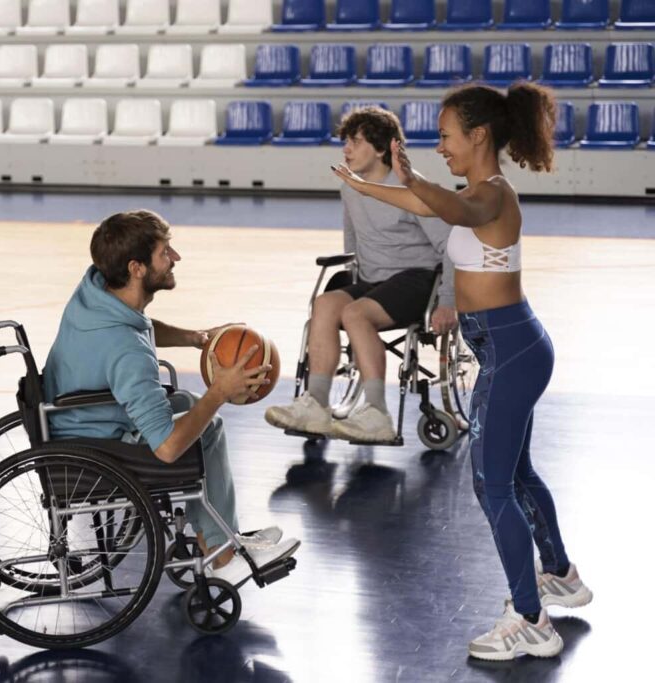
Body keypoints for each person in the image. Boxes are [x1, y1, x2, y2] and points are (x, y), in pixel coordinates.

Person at [332, 83, 592, 661]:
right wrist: (366, 184)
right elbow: (428, 205)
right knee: (517, 473)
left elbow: (449, 207)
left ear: (477, 135)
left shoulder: (491, 195)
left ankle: (531, 620)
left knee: (490, 484)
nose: (440, 146)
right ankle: (560, 575)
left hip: (510, 350)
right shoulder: (475, 190)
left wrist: (408, 175)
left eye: (446, 135)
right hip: (511, 346)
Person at [43, 209, 300, 587]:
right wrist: (221, 392)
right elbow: (166, 448)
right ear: (137, 268)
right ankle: (223, 556)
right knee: (204, 423)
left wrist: (195, 337)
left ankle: (216, 536)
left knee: (188, 405)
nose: (175, 258)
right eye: (166, 252)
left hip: (79, 420)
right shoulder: (127, 352)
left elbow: (138, 324)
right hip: (99, 447)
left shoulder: (97, 289)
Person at [265, 106, 457, 443]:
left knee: (355, 314)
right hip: (372, 280)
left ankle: (376, 413)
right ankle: (316, 404)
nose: (346, 149)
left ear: (382, 149)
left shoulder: (414, 189)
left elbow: (452, 246)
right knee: (325, 303)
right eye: (346, 142)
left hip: (417, 279)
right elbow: (353, 240)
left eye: (355, 141)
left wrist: (448, 301)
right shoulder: (350, 187)